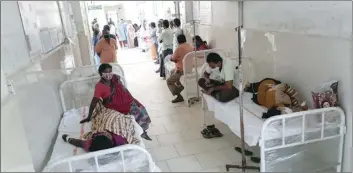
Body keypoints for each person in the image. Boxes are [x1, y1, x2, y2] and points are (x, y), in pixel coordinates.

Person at [80, 64, 152, 140]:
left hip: (128, 101)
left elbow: (123, 88)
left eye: (110, 72)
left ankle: (143, 132)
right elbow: (94, 102)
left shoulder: (115, 78)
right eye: (106, 73)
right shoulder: (100, 86)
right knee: (127, 122)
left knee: (141, 111)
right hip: (115, 108)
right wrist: (89, 116)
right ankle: (137, 133)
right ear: (101, 73)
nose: (109, 75)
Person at [63, 100, 139, 152]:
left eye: (102, 134)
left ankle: (104, 107)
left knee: (102, 112)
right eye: (106, 134)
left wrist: (67, 138)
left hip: (106, 120)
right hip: (113, 123)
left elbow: (78, 142)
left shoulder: (90, 145)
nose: (105, 133)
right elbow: (129, 137)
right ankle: (106, 107)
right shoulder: (118, 140)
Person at [167, 34, 193, 103]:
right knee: (172, 71)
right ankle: (180, 85)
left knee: (169, 81)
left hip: (181, 70)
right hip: (189, 69)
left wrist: (173, 59)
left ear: (178, 41)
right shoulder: (190, 46)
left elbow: (172, 58)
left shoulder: (179, 48)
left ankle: (179, 94)